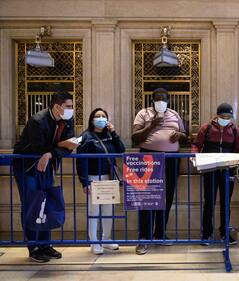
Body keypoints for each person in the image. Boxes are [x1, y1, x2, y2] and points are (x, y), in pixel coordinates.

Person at [13, 91, 78, 263]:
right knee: (32, 203)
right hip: (27, 168)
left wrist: (51, 153)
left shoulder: (67, 120)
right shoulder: (38, 121)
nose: (71, 110)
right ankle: (33, 246)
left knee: (46, 203)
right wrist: (56, 147)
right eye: (68, 106)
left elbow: (69, 146)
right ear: (57, 107)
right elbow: (38, 148)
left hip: (47, 166)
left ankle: (45, 244)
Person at [131, 88, 187, 255]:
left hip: (171, 159)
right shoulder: (143, 113)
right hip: (148, 158)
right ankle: (144, 238)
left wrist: (179, 135)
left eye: (163, 99)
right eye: (157, 99)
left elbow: (184, 134)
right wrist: (151, 126)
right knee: (147, 197)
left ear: (168, 100)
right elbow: (135, 137)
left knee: (167, 195)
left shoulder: (174, 114)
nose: (160, 101)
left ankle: (160, 233)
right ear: (152, 100)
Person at [192, 103, 239, 245]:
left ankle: (225, 234)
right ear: (217, 115)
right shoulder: (207, 127)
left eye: (229, 117)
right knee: (209, 202)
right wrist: (194, 156)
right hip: (210, 170)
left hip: (228, 170)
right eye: (223, 116)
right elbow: (196, 144)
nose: (226, 119)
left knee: (225, 203)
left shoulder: (234, 130)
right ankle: (207, 234)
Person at [76, 108, 125, 255]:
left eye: (104, 116)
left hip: (109, 177)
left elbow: (121, 150)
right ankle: (94, 242)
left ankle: (107, 239)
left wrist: (114, 132)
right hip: (93, 178)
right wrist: (84, 182)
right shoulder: (86, 136)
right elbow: (81, 161)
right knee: (94, 211)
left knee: (108, 210)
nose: (101, 118)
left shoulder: (109, 135)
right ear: (92, 120)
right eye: (98, 116)